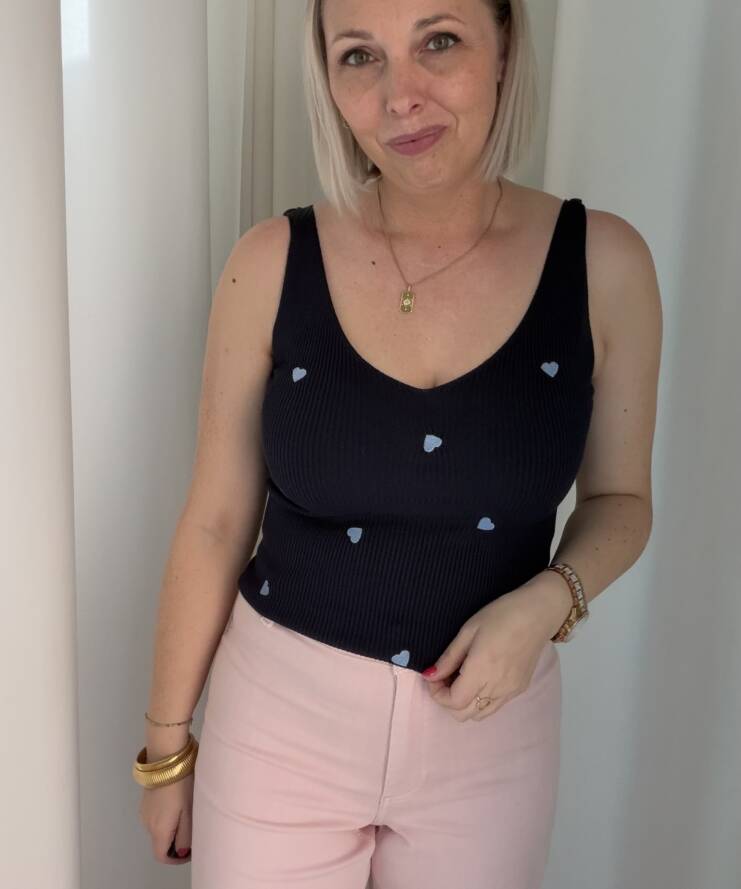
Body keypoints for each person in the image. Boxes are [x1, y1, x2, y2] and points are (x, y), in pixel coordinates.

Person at [134, 1, 662, 887]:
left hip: (490, 735)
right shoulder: (269, 262)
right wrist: (165, 750)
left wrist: (547, 601)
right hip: (277, 723)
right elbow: (216, 523)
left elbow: (622, 501)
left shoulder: (602, 264)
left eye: (439, 41)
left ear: (504, 48)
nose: (398, 97)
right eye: (359, 56)